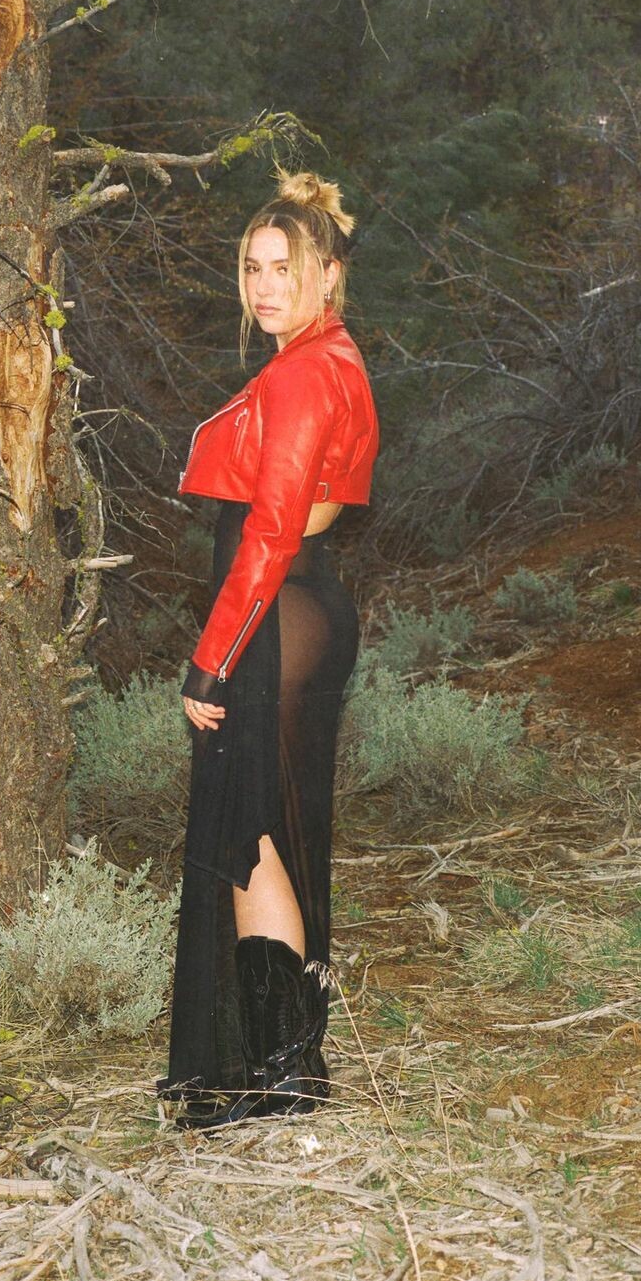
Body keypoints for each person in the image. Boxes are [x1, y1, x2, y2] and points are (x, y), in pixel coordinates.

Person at [157, 165, 379, 1128]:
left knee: (252, 837)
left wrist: (210, 658)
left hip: (275, 618)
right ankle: (275, 1066)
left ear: (328, 273)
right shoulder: (333, 360)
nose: (264, 285)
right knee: (266, 835)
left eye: (284, 267)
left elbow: (274, 530)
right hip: (296, 612)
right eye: (252, 267)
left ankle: (283, 1069)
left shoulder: (303, 373)